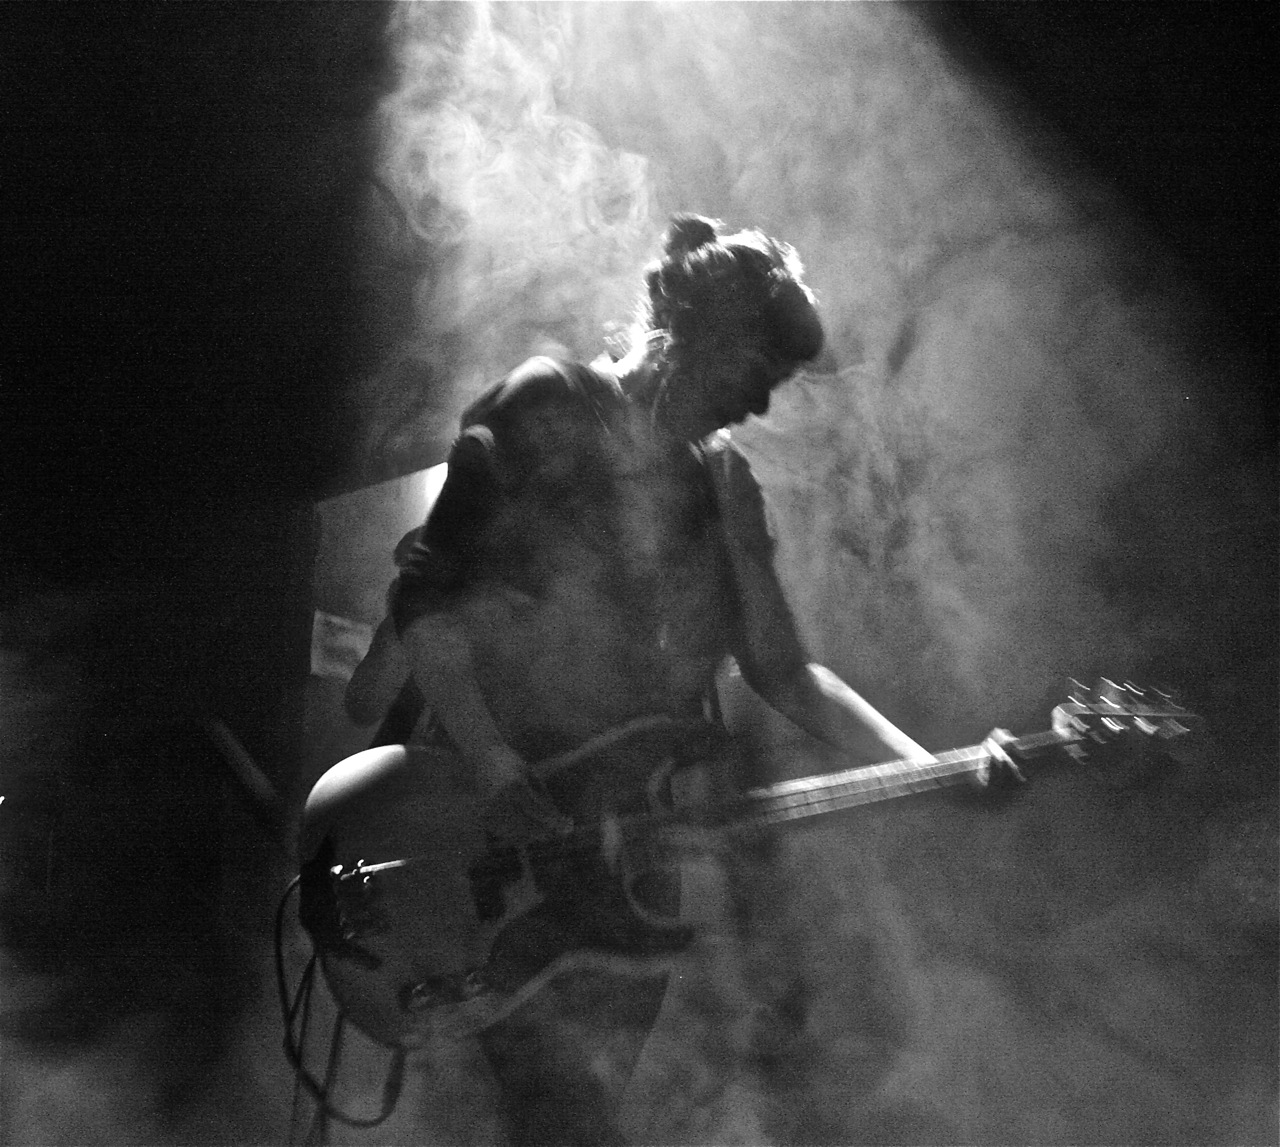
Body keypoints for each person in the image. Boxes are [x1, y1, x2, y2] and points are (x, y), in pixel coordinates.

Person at [367, 213, 973, 1145]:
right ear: (698, 332)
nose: (759, 405)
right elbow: (427, 594)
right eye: (756, 371)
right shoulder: (549, 402)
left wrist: (933, 768)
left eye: (775, 384)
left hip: (620, 870)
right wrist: (491, 763)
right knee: (524, 1116)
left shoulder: (716, 490)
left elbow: (786, 672)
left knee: (574, 1125)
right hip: (482, 834)